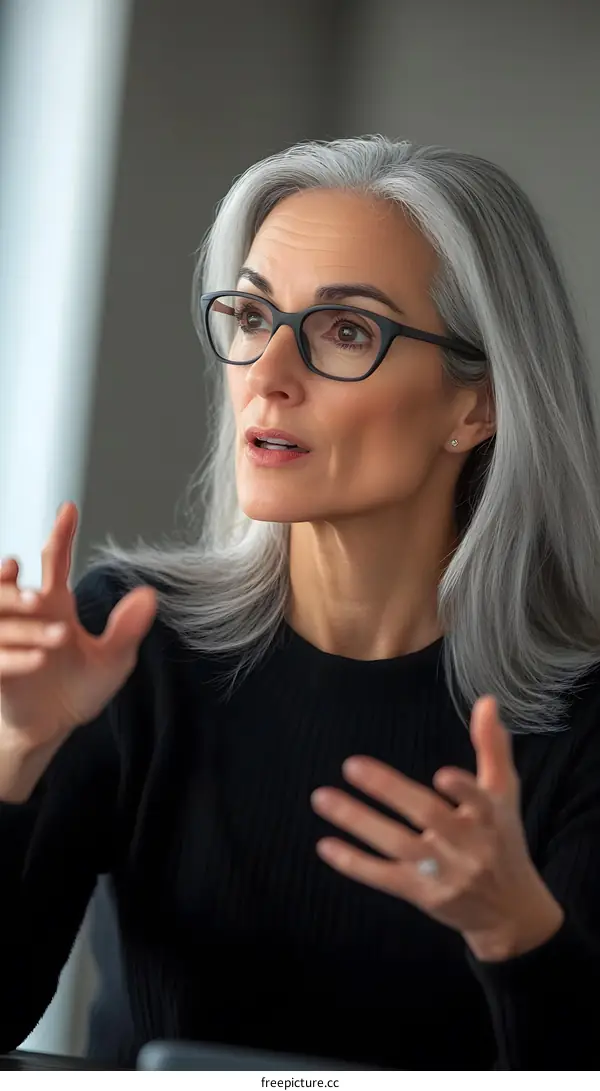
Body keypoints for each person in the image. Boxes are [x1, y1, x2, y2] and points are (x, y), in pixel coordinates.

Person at [1, 136, 600, 1072]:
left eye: (346, 331)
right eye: (250, 315)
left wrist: (516, 932)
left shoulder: (583, 719)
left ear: (474, 408)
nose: (268, 373)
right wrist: (15, 758)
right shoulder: (126, 645)